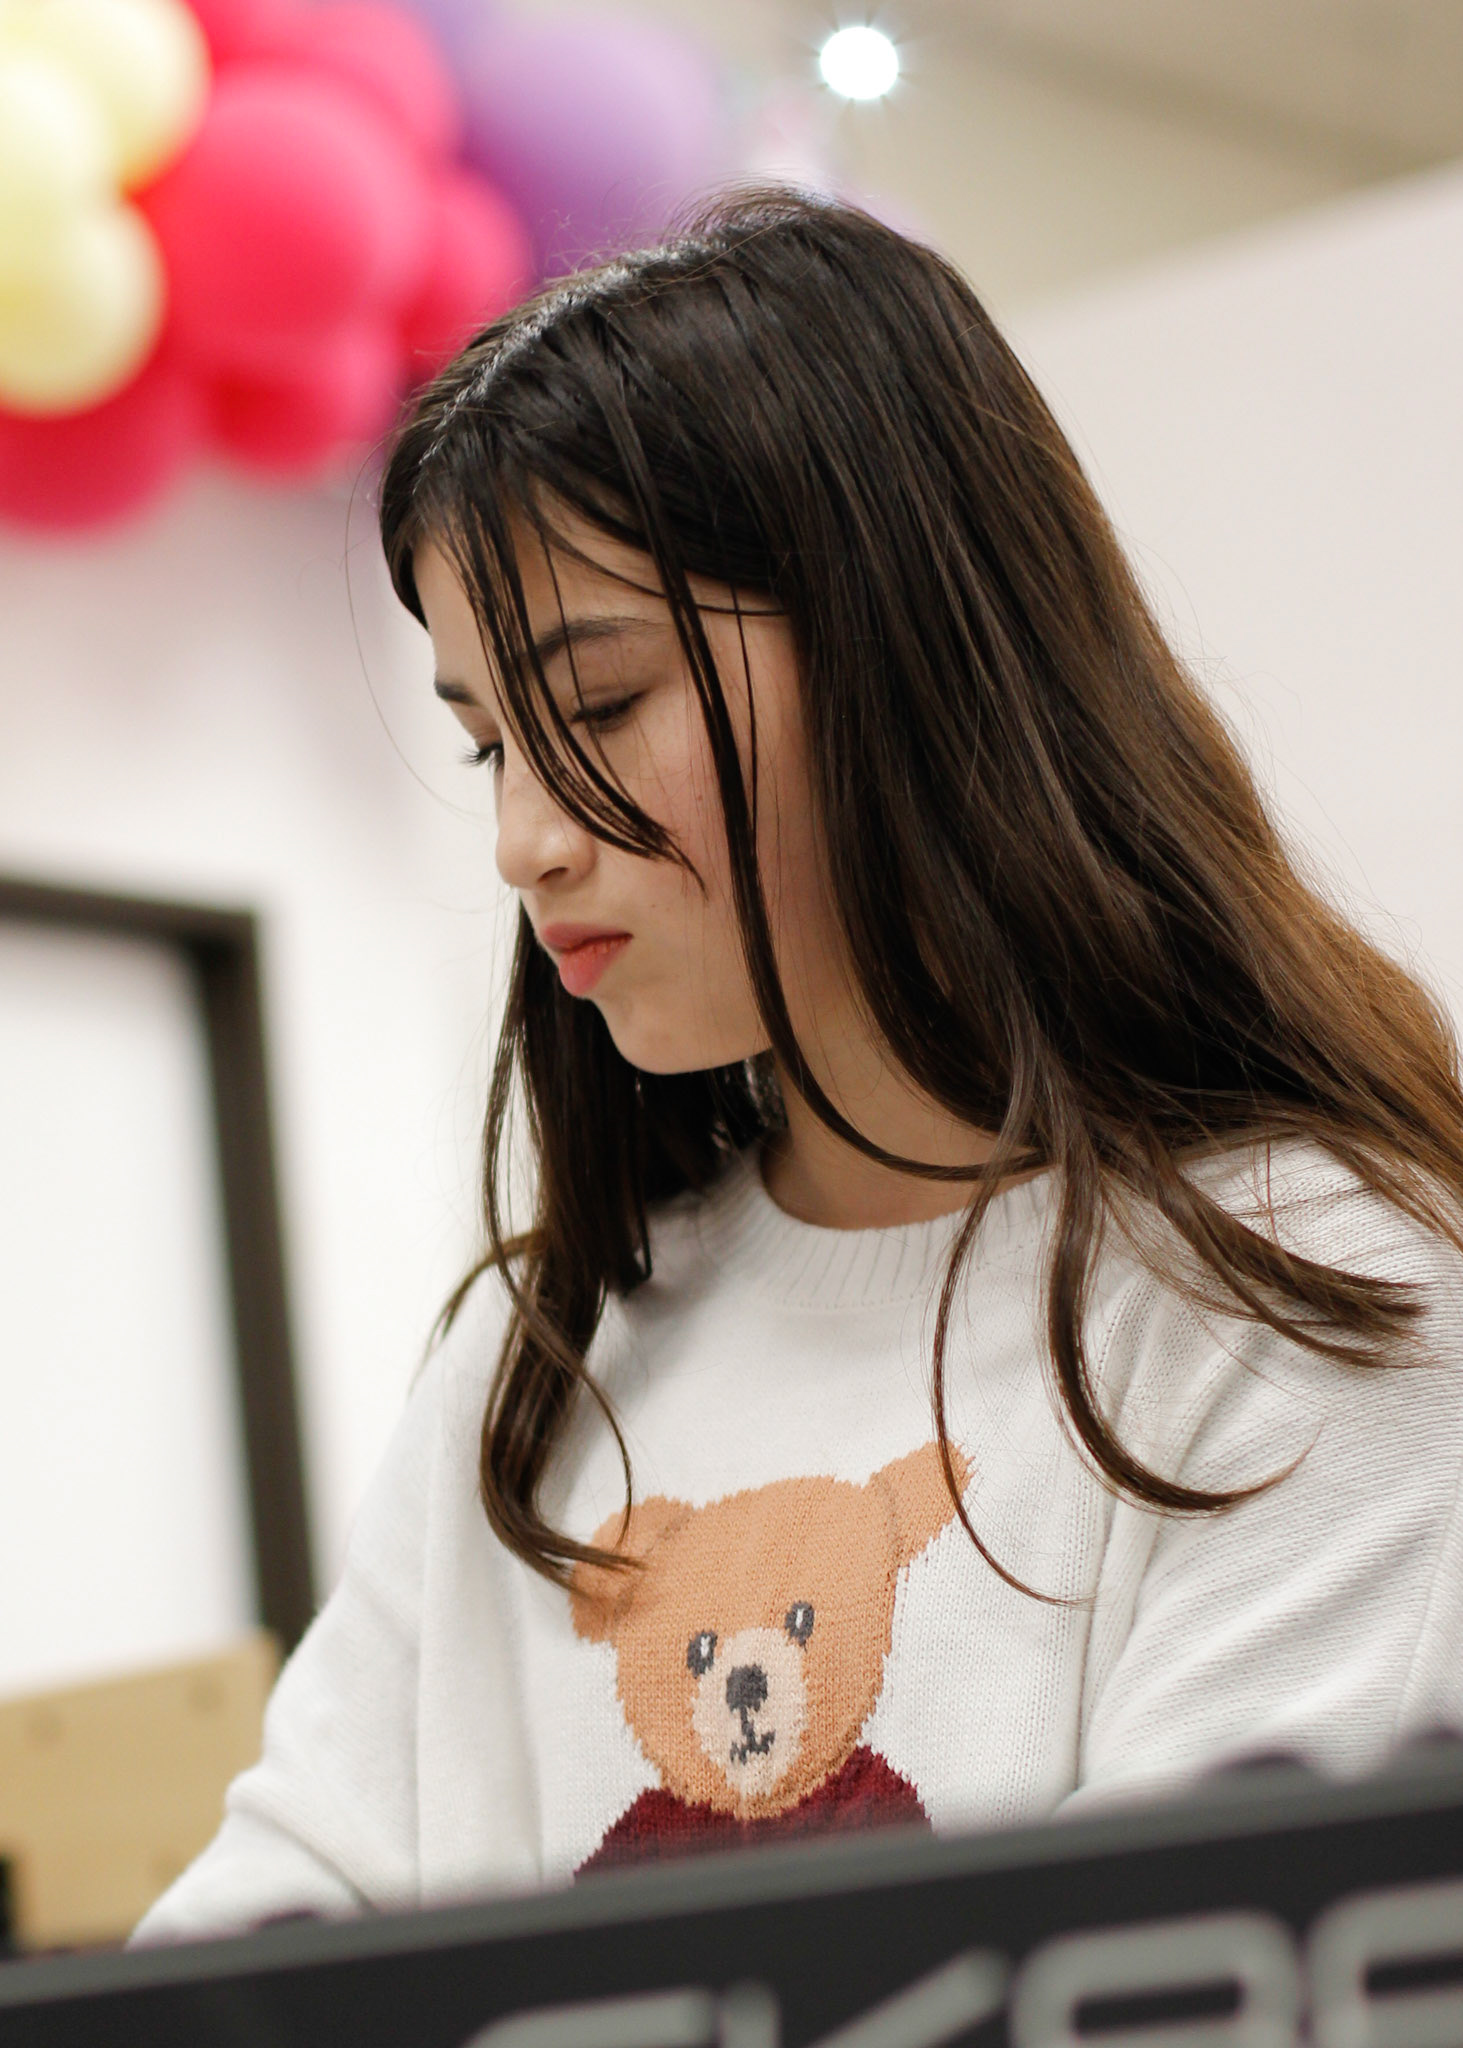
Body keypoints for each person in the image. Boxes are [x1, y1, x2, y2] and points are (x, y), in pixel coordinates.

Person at [135, 188, 1463, 1940]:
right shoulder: (548, 1354)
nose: (526, 840)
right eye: (487, 747)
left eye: (598, 709)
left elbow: (1188, 1974)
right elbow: (265, 1927)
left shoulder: (1300, 1292)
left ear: (903, 647)